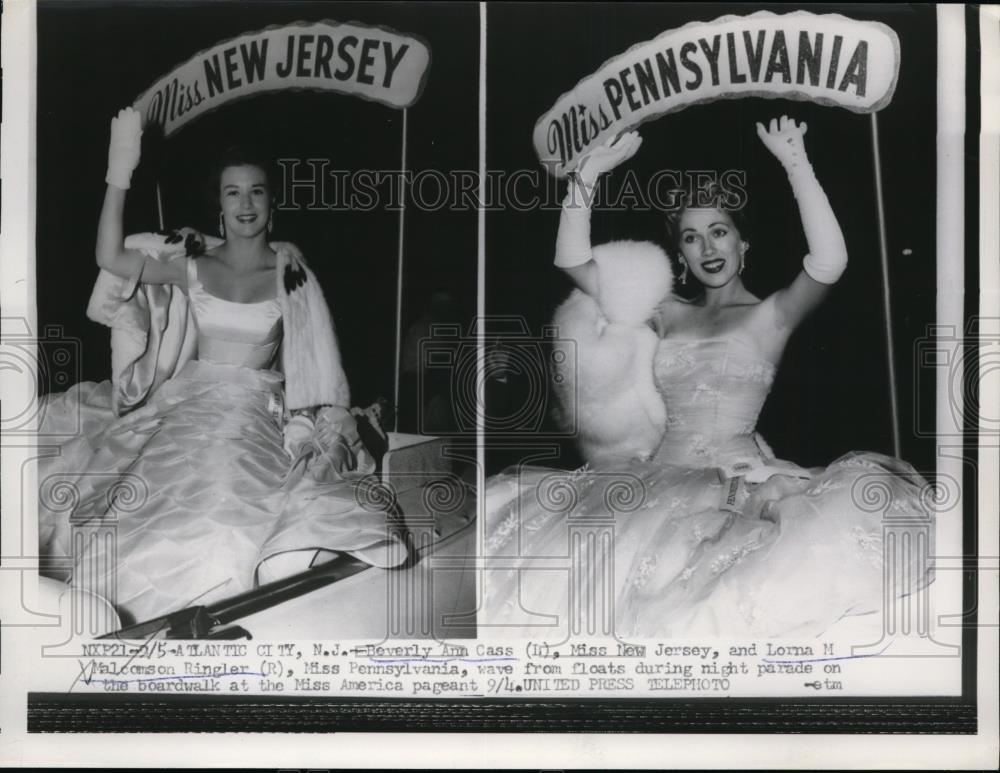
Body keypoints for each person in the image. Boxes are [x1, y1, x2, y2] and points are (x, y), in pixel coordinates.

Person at [483, 117, 934, 639]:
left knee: (706, 609)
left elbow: (830, 261)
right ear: (681, 254)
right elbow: (572, 261)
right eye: (692, 238)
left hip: (739, 482)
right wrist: (590, 173)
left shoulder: (771, 316)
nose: (708, 248)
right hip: (653, 482)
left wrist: (796, 163)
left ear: (743, 242)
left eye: (720, 231)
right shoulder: (667, 312)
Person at [37, 108, 406, 626]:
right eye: (233, 192)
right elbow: (109, 257)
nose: (245, 203)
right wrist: (119, 170)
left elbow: (309, 367)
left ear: (271, 204)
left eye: (256, 191)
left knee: (227, 517)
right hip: (186, 405)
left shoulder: (292, 274)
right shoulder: (194, 267)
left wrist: (315, 421)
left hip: (252, 412)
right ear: (220, 207)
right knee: (130, 517)